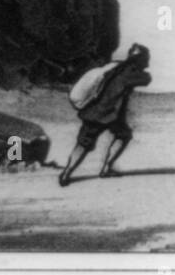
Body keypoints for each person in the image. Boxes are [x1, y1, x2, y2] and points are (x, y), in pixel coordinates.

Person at [59, 44, 152, 186]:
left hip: (93, 112)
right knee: (123, 135)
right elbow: (146, 79)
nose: (148, 62)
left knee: (83, 144)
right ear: (139, 59)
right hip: (110, 115)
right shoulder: (131, 73)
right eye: (146, 59)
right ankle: (106, 168)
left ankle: (67, 172)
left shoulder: (114, 67)